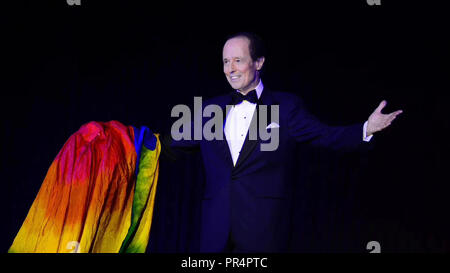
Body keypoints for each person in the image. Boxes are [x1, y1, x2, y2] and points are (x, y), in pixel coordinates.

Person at [162, 32, 403, 252]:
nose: (230, 69)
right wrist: (127, 137)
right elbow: (169, 144)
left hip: (263, 233)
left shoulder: (285, 107)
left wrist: (365, 128)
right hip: (215, 233)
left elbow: (325, 136)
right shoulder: (210, 110)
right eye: (226, 61)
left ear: (259, 63)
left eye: (238, 60)